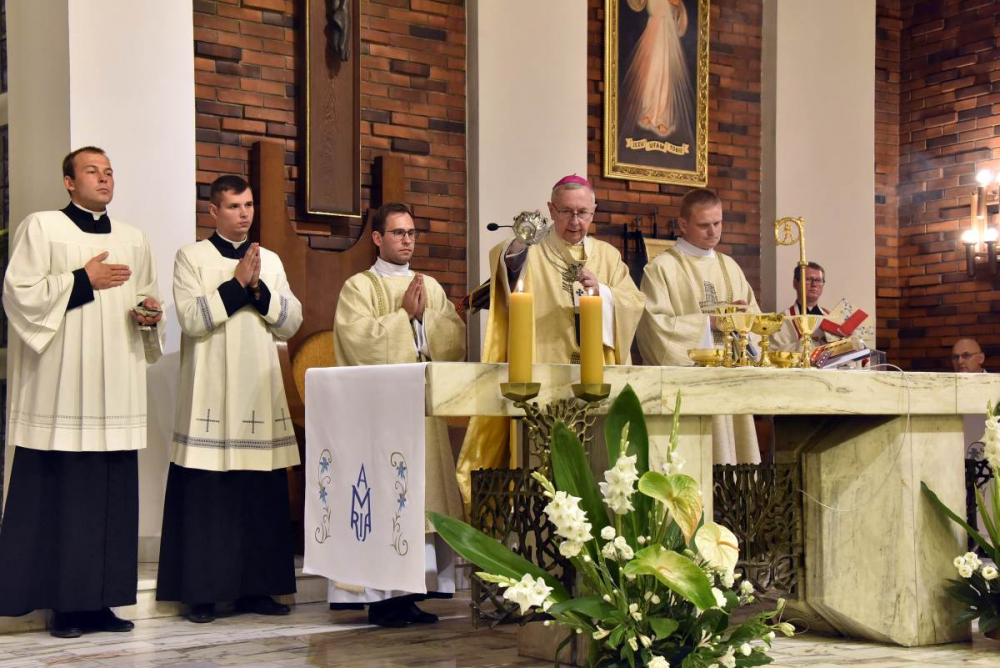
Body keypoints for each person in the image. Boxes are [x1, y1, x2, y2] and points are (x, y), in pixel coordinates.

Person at [0, 146, 163, 638]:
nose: (104, 178)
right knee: (64, 498)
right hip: (63, 387)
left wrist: (149, 315)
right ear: (69, 182)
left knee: (112, 499)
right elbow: (19, 294)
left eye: (109, 171)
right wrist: (81, 280)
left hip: (116, 387)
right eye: (92, 171)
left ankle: (101, 603)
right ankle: (64, 606)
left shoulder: (133, 238)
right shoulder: (42, 227)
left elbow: (147, 296)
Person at [155, 176, 302, 623]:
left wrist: (258, 290)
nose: (244, 214)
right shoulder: (192, 257)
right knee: (209, 498)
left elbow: (291, 321)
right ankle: (201, 594)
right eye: (235, 206)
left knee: (258, 497)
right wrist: (237, 285)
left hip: (258, 391)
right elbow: (191, 319)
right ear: (214, 211)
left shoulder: (270, 261)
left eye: (249, 205)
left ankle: (257, 590)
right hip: (211, 396)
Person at [456, 175, 646, 506]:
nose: (576, 221)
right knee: (540, 466)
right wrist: (521, 240)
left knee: (597, 466)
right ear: (551, 210)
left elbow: (634, 302)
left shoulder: (608, 255)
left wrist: (602, 292)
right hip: (541, 371)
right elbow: (508, 263)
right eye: (567, 212)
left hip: (596, 375)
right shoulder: (534, 249)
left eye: (583, 213)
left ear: (594, 211)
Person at [331, 202, 466, 628]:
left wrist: (426, 318)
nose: (406, 240)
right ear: (377, 238)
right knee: (388, 499)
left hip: (422, 412)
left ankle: (410, 594)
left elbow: (454, 341)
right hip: (380, 415)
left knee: (419, 501)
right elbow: (358, 343)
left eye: (411, 233)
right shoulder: (358, 287)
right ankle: (381, 599)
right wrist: (404, 316)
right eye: (397, 233)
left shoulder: (431, 287)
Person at [636, 187, 760, 465]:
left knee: (733, 469)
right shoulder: (661, 268)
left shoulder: (731, 267)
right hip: (687, 390)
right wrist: (709, 323)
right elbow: (654, 328)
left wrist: (743, 321)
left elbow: (755, 324)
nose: (713, 232)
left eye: (718, 223)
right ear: (683, 224)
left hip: (731, 387)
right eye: (704, 225)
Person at [622, 0, 694, 141]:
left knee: (665, 75)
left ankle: (662, 119)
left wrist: (677, 6)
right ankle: (648, 112)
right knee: (650, 74)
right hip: (653, 33)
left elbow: (680, 19)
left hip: (667, 35)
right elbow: (640, 4)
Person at [770, 262, 830, 353]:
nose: (814, 284)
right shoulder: (782, 319)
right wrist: (806, 344)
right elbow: (772, 353)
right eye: (808, 279)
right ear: (795, 283)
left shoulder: (830, 318)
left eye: (819, 280)